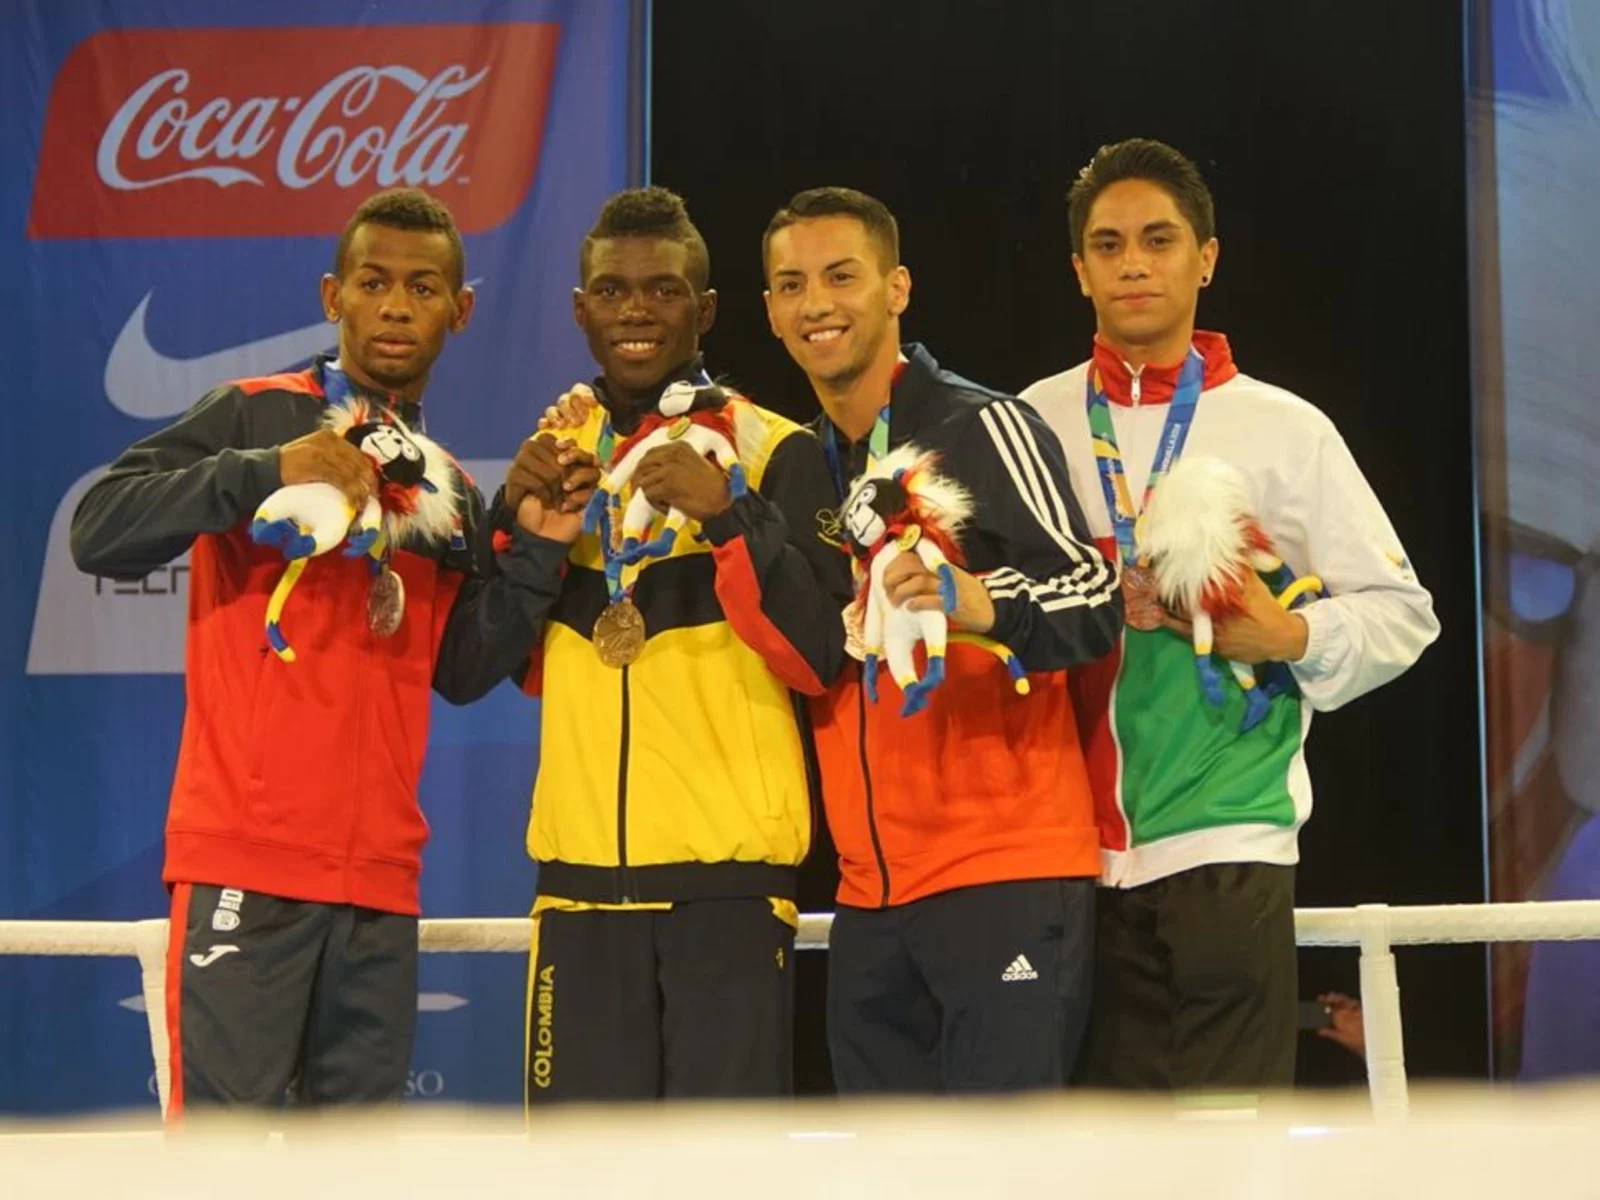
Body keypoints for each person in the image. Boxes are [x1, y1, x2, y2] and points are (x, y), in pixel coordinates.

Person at [69, 188, 558, 1113]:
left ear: (462, 309)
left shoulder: (443, 484)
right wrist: (268, 472)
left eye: (422, 287)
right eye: (373, 282)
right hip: (246, 861)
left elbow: (457, 671)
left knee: (356, 1174)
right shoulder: (254, 415)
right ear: (333, 296)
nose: (396, 305)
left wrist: (536, 547)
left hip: (378, 878)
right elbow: (98, 531)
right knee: (224, 1167)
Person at [1020, 138, 1440, 1090]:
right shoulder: (1028, 424)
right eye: (1109, 243)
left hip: (1228, 844)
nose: (1134, 262)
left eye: (1159, 239)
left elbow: (1403, 615)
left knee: (1233, 1167)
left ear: (1206, 257)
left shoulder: (1284, 428)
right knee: (1099, 1171)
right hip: (1062, 858)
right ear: (1078, 268)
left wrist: (1290, 637)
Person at [760, 186, 1122, 1093]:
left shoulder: (983, 424)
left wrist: (979, 600)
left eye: (842, 276)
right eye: (792, 285)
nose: (817, 305)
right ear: (769, 311)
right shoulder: (797, 467)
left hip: (1004, 874)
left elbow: (1093, 596)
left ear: (897, 288)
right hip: (870, 898)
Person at [509, 186, 851, 1103]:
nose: (635, 311)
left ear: (703, 311)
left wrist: (731, 517)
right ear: (581, 309)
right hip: (577, 891)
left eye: (663, 292)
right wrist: (532, 535)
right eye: (613, 291)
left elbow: (821, 659)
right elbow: (485, 663)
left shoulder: (777, 452)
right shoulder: (554, 454)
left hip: (727, 892)